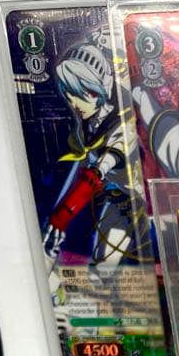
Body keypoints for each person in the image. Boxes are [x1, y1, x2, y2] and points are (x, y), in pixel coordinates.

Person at [45, 31, 149, 280]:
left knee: (103, 271)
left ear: (96, 89)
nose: (73, 102)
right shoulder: (88, 122)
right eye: (68, 94)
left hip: (126, 199)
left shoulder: (121, 124)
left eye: (78, 93)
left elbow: (102, 167)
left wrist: (64, 215)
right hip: (98, 193)